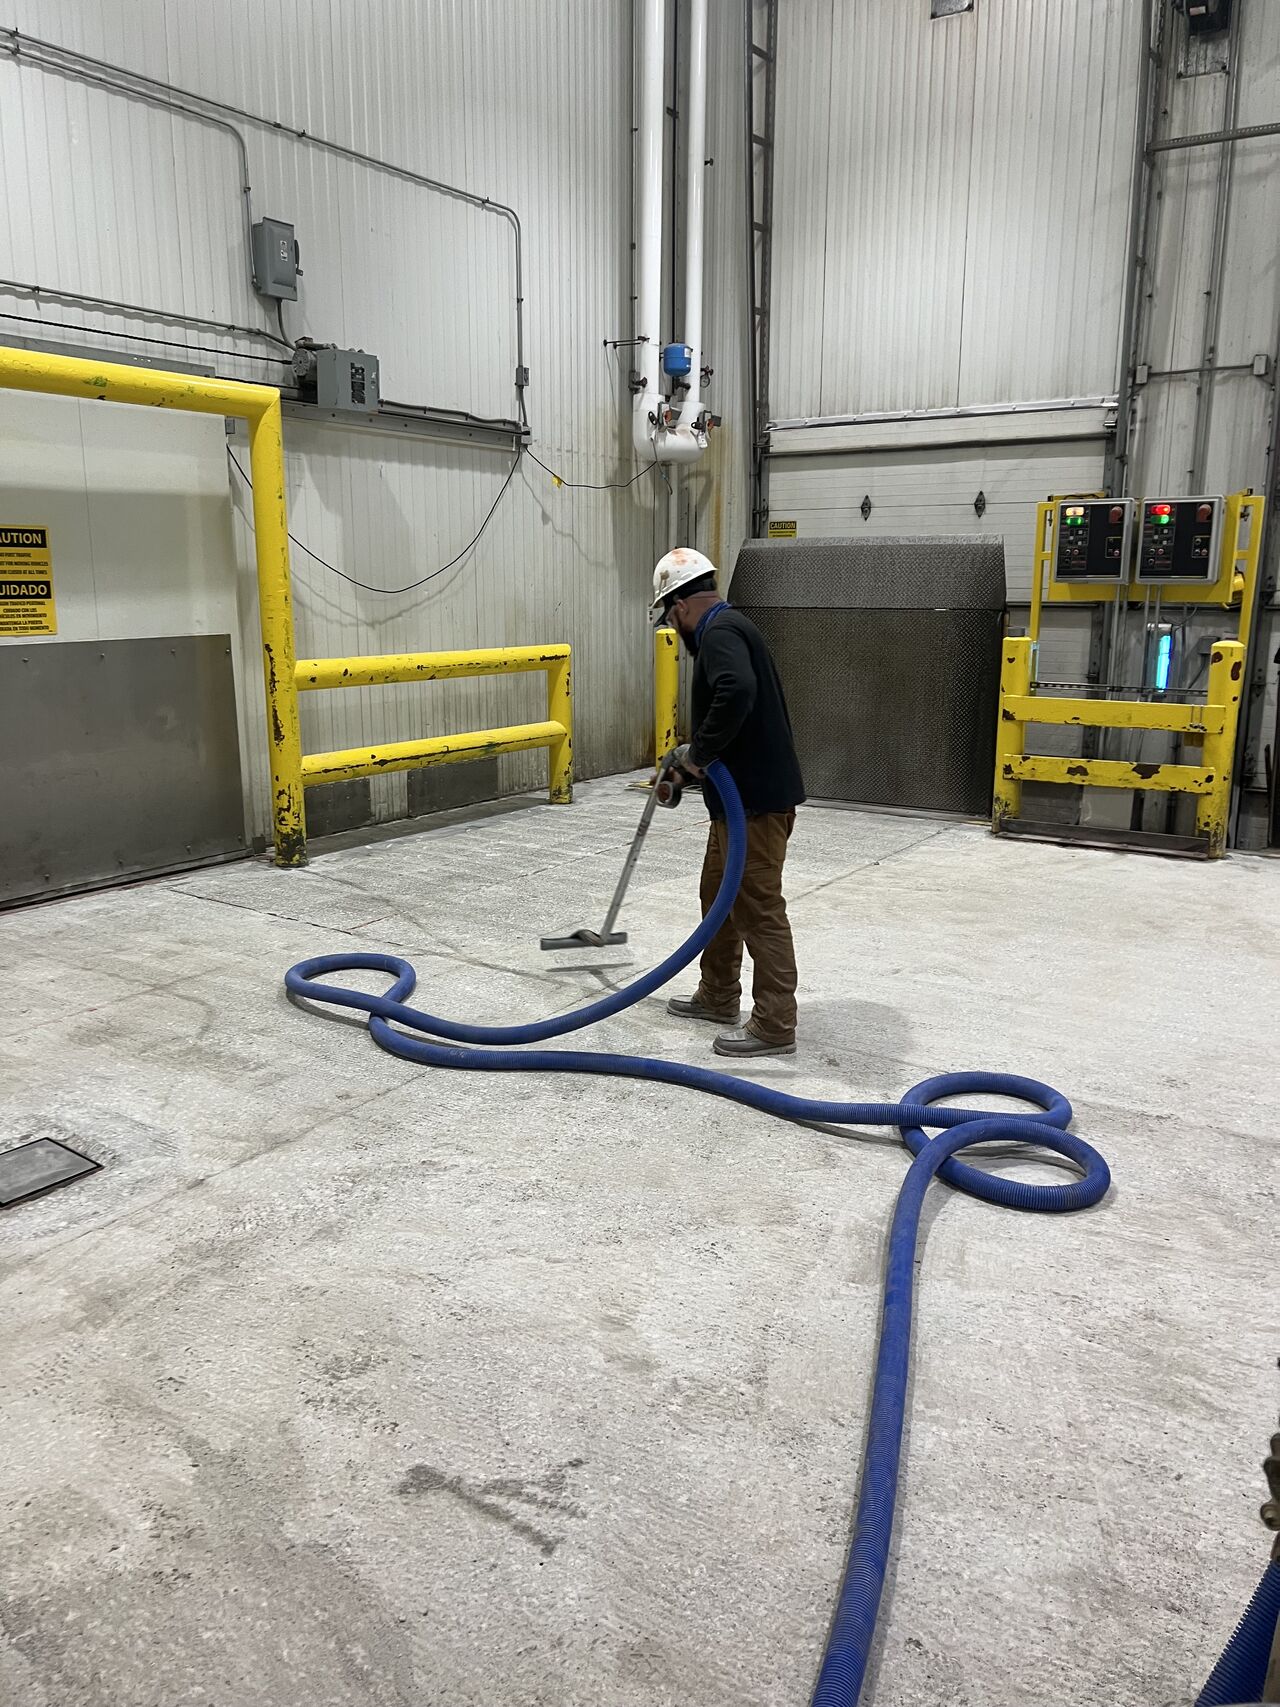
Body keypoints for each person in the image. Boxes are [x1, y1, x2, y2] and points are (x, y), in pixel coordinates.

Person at [651, 546, 805, 1058]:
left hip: (755, 806)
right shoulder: (732, 626)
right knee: (717, 895)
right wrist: (690, 767)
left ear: (678, 607)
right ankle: (718, 995)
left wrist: (698, 753)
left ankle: (775, 1025)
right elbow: (736, 714)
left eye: (672, 621)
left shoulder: (718, 632)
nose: (678, 633)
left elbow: (735, 691)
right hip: (737, 807)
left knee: (758, 909)